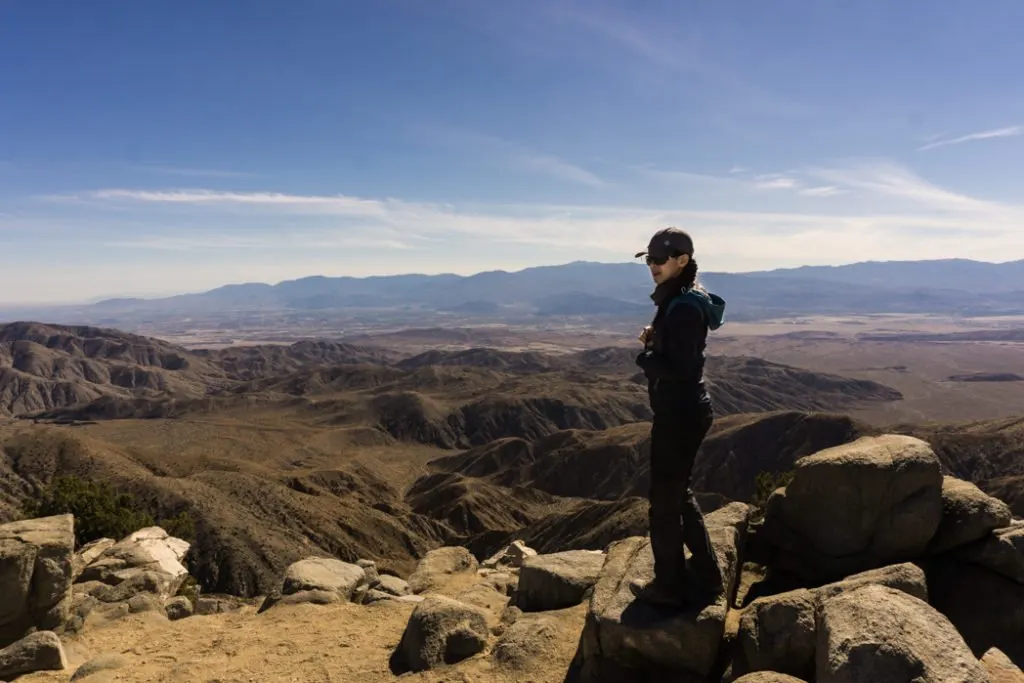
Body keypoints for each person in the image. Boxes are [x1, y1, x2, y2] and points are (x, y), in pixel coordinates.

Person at [630, 226, 726, 608]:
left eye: (659, 259)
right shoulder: (683, 298)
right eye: (649, 259)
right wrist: (658, 337)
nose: (652, 265)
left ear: (682, 260)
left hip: (679, 413)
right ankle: (707, 574)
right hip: (685, 411)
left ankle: (669, 585)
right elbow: (683, 351)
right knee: (677, 494)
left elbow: (680, 368)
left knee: (664, 503)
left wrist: (646, 357)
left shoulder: (684, 305)